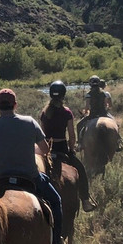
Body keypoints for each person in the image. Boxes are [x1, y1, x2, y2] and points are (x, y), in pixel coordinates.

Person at [0, 88, 69, 244]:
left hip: (0, 178)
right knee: (55, 201)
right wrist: (29, 148)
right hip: (31, 178)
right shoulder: (29, 123)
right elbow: (44, 150)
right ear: (15, 105)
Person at [39, 80, 97, 212]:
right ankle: (86, 201)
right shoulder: (66, 112)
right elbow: (71, 135)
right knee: (80, 170)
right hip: (61, 148)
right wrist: (71, 149)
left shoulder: (44, 112)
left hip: (46, 150)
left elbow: (42, 134)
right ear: (63, 95)